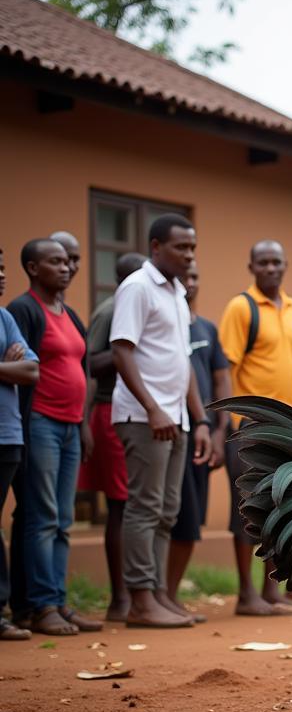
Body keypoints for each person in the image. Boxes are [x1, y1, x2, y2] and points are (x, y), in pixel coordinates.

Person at [111, 215, 212, 629]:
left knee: (168, 510)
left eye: (192, 248)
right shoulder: (137, 287)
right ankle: (139, 600)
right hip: (144, 417)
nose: (189, 255)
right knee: (145, 507)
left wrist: (200, 418)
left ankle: (156, 595)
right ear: (156, 247)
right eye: (181, 248)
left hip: (177, 419)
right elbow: (121, 350)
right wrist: (152, 408)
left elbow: (182, 359)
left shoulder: (176, 292)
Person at [7, 239, 97, 636]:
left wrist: (83, 423)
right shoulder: (24, 310)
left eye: (67, 261)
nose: (66, 268)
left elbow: (84, 368)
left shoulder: (71, 313)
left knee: (62, 519)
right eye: (54, 262)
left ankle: (58, 601)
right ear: (32, 267)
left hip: (70, 425)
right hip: (40, 422)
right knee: (41, 517)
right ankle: (40, 606)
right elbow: (23, 369)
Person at [219, 240, 292, 615]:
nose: (271, 268)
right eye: (264, 262)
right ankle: (246, 595)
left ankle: (270, 591)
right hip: (250, 427)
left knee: (279, 508)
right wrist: (231, 420)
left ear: (286, 264)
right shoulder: (240, 308)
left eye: (277, 261)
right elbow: (225, 366)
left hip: (288, 429)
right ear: (252, 266)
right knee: (246, 508)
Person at [78, 251, 146, 622]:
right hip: (111, 410)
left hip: (139, 414)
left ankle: (142, 594)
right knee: (121, 506)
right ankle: (120, 598)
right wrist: (127, 354)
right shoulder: (111, 310)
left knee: (138, 505)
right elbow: (90, 363)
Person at [166, 264, 231, 607]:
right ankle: (158, 595)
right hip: (171, 428)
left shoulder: (207, 328)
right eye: (183, 278)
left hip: (203, 436)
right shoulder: (167, 326)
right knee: (169, 515)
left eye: (195, 277)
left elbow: (221, 379)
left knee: (191, 521)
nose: (189, 283)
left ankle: (171, 595)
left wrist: (220, 430)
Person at [0, 247, 39, 641]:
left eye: (1, 265)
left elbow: (31, 369)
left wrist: (14, 368)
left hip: (7, 434)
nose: (0, 274)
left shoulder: (5, 317)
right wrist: (5, 367)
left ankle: (1, 609)